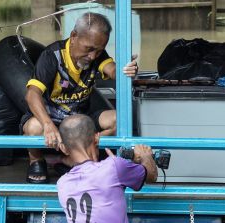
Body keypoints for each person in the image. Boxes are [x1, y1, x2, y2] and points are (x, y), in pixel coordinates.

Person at [22, 12, 138, 183]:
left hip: (80, 120)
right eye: (89, 49)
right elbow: (32, 94)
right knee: (33, 127)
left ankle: (71, 159)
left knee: (119, 120)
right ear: (74, 36)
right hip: (52, 118)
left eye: (98, 51)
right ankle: (36, 160)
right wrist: (47, 124)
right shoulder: (52, 56)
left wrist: (126, 69)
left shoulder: (97, 56)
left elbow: (113, 70)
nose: (92, 56)